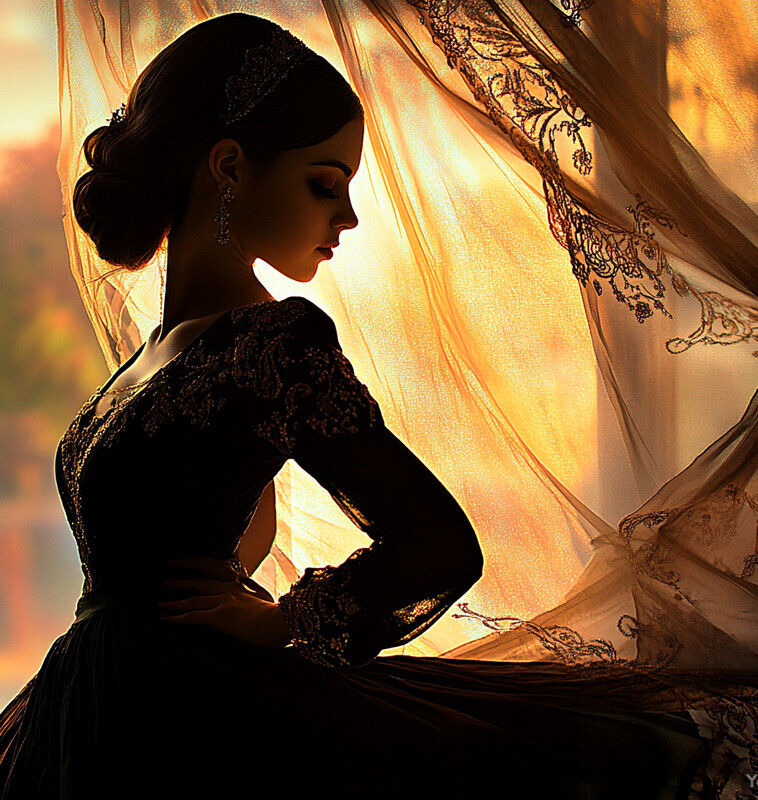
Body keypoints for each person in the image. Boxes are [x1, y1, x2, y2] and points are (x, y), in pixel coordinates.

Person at [0, 13, 712, 800]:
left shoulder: (276, 347)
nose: (348, 217)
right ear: (230, 165)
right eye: (324, 183)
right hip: (95, 716)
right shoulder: (151, 356)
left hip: (189, 717)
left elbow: (437, 545)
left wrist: (278, 623)